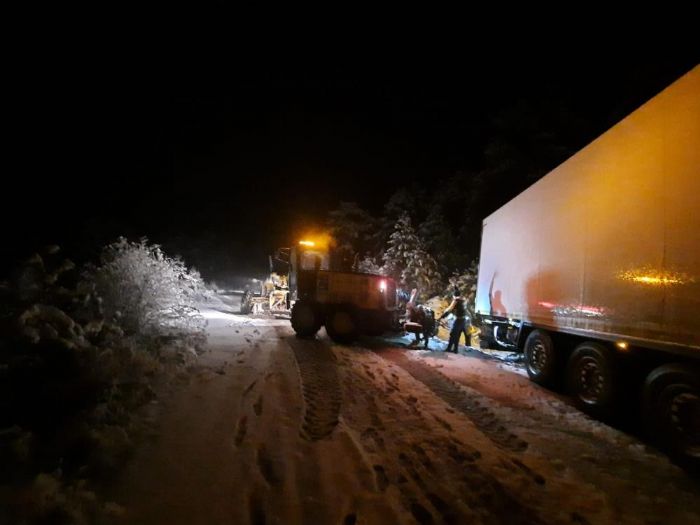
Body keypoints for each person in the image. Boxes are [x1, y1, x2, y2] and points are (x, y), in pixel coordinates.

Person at [439, 287, 469, 353]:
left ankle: (449, 349)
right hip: (464, 321)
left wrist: (442, 316)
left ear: (454, 296)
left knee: (453, 334)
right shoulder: (463, 300)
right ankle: (455, 350)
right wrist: (455, 287)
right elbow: (457, 292)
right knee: (457, 335)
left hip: (459, 320)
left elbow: (449, 310)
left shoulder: (456, 301)